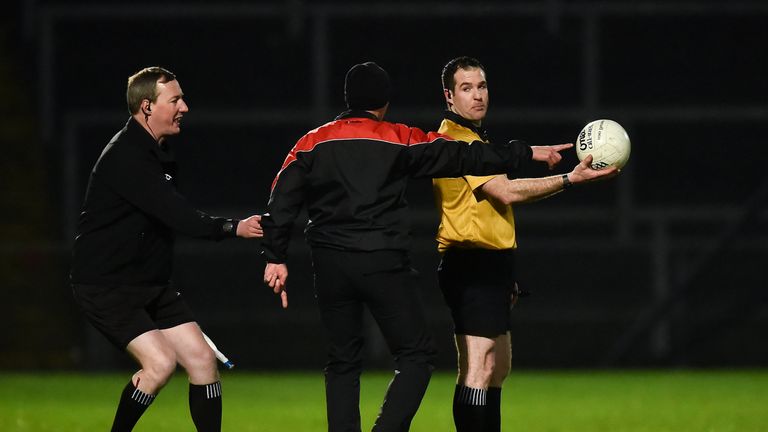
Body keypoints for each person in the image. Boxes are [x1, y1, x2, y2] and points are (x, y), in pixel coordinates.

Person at [260, 61, 570, 432]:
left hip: (329, 264)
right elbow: (463, 155)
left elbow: (281, 198)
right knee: (417, 356)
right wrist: (524, 153)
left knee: (342, 362)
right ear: (385, 102)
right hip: (381, 261)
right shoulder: (398, 137)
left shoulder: (312, 141)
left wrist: (275, 255)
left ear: (347, 99)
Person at [69, 66, 263, 432]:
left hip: (150, 283)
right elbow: (178, 215)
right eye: (175, 99)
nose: (184, 107)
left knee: (203, 360)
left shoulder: (160, 151)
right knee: (159, 366)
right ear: (146, 107)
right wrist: (231, 228)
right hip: (107, 286)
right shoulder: (126, 156)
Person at [432, 56, 618, 431]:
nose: (477, 95)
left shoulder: (480, 141)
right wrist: (570, 180)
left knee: (497, 366)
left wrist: (508, 272)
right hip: (469, 262)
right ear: (449, 98)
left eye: (481, 86)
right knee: (479, 366)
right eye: (466, 89)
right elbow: (504, 192)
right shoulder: (456, 140)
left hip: (492, 263)